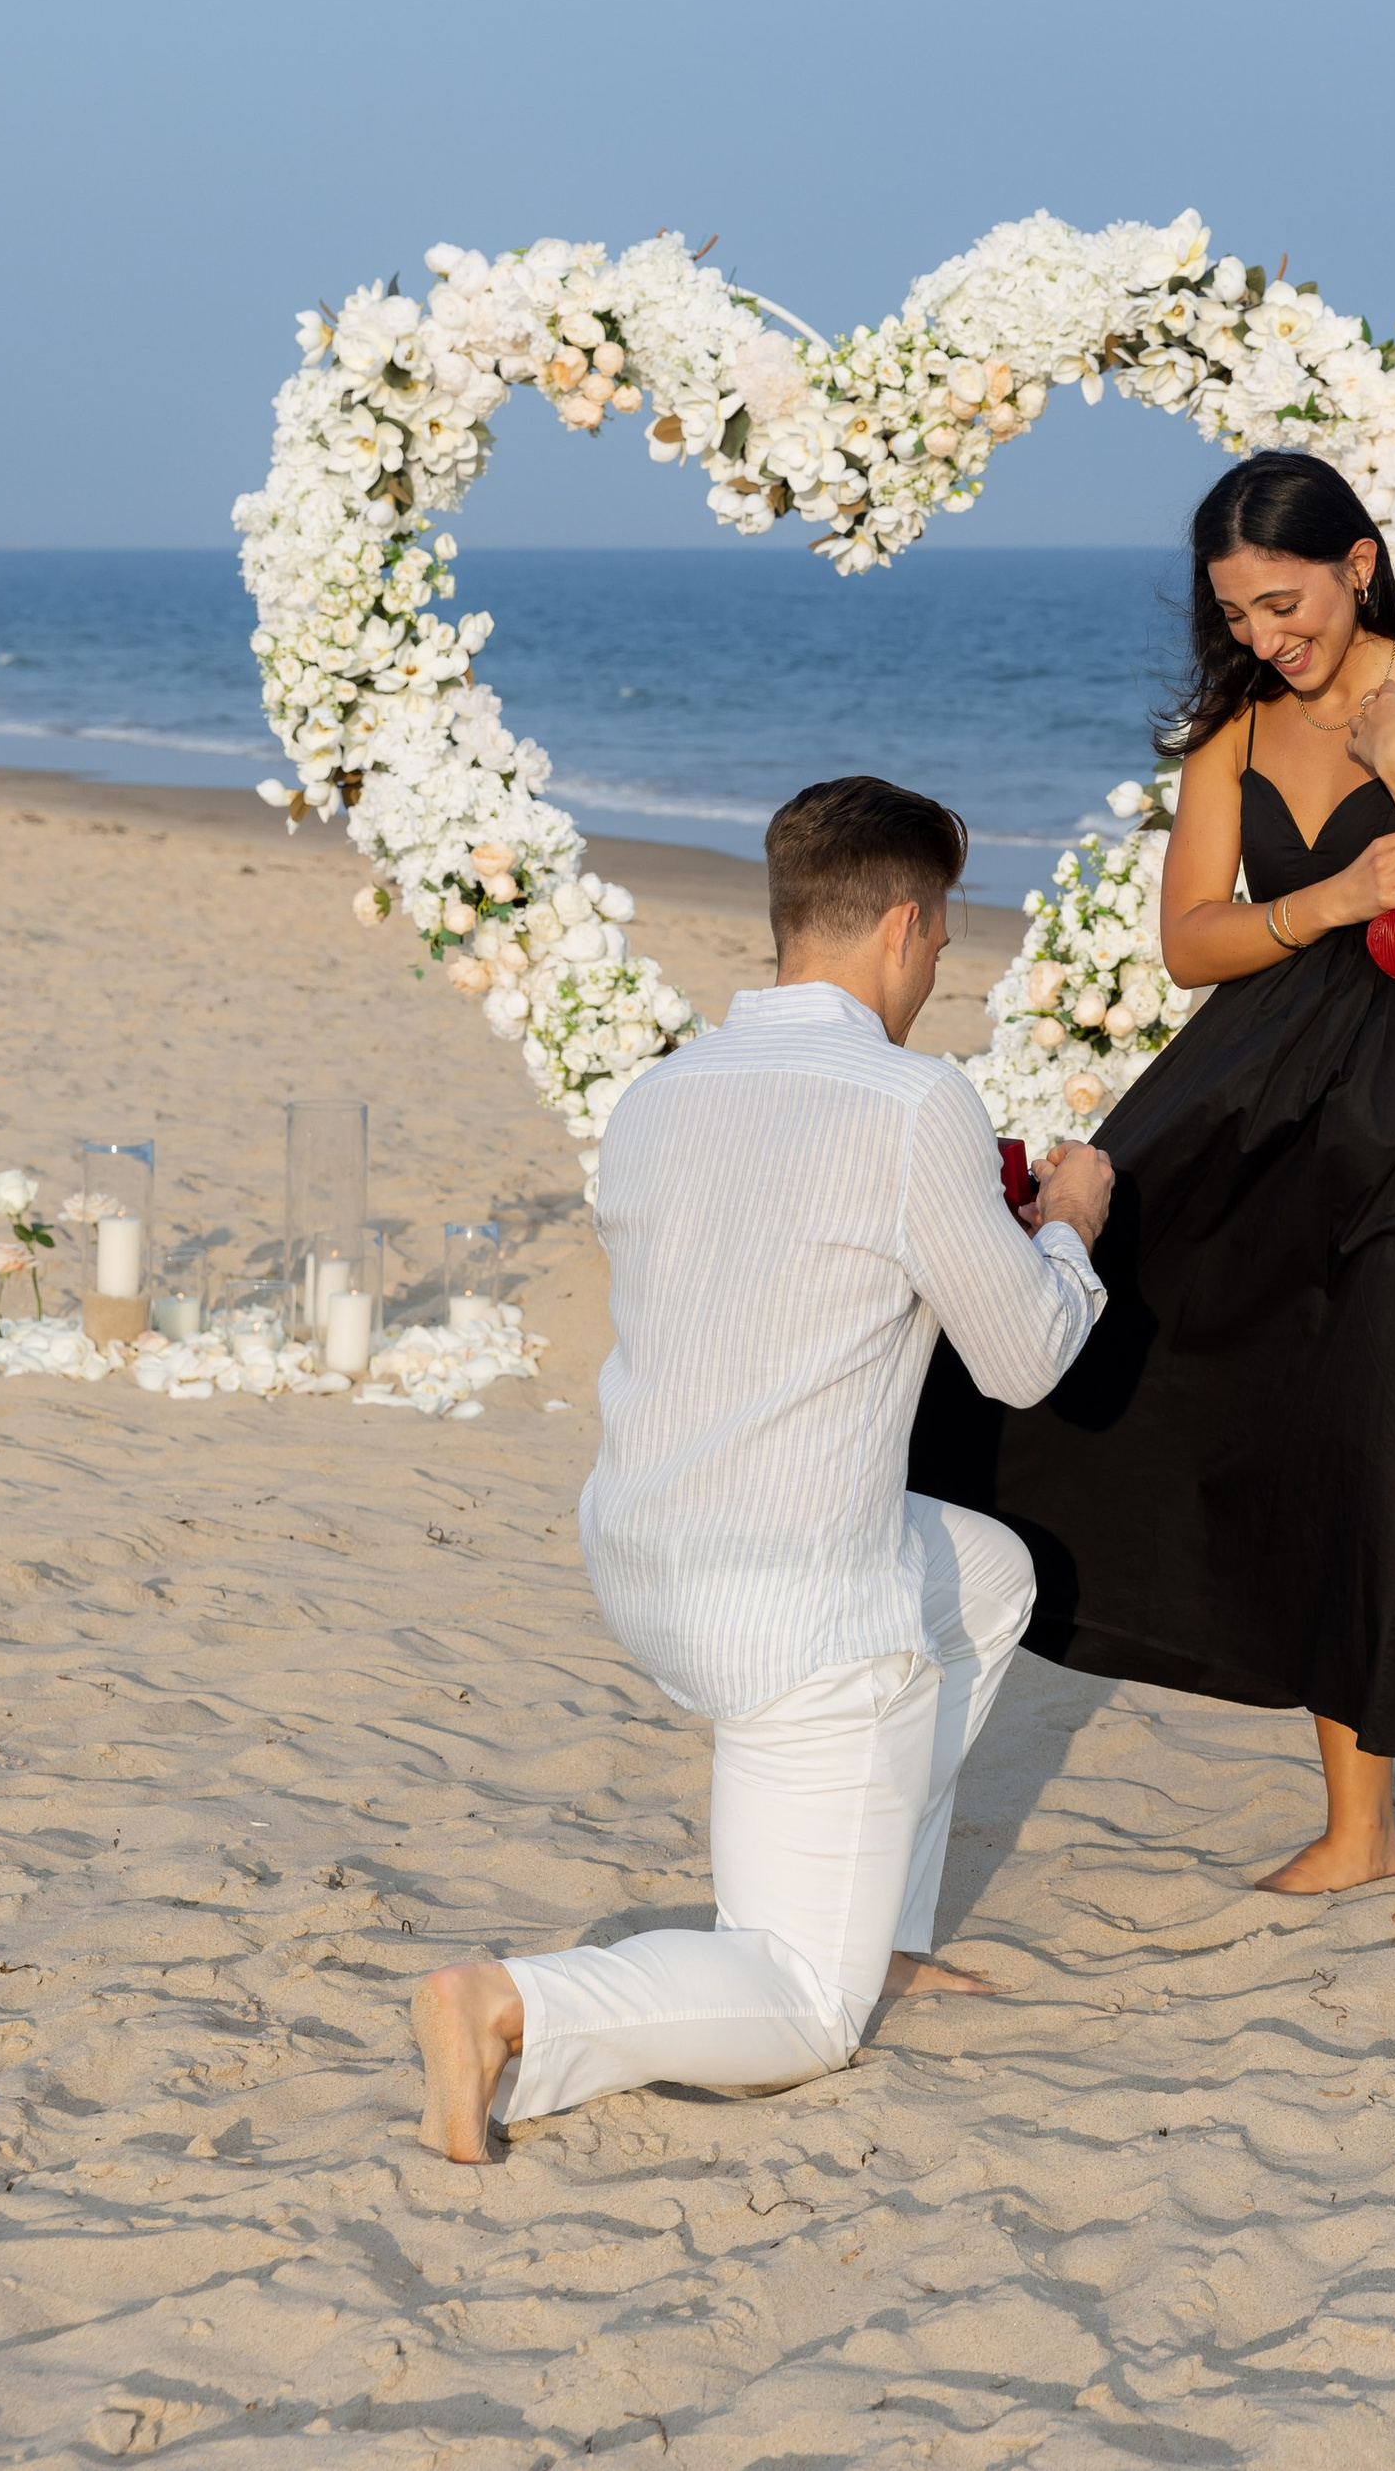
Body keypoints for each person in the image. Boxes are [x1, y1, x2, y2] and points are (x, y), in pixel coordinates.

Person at [411, 773, 1116, 2160]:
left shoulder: (661, 1096)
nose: (935, 973)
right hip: (790, 1607)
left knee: (988, 1574)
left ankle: (880, 1927)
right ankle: (510, 2008)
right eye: (943, 943)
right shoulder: (918, 1101)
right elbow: (1026, 1359)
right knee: (803, 2009)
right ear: (906, 926)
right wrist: (1071, 1224)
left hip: (644, 1555)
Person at [912, 451, 1395, 1940]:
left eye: (1285, 600)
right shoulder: (1237, 731)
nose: (1267, 635)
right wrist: (1326, 903)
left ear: (1360, 558)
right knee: (1275, 1437)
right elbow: (1192, 942)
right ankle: (1355, 1823)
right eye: (1237, 612)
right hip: (1249, 1116)